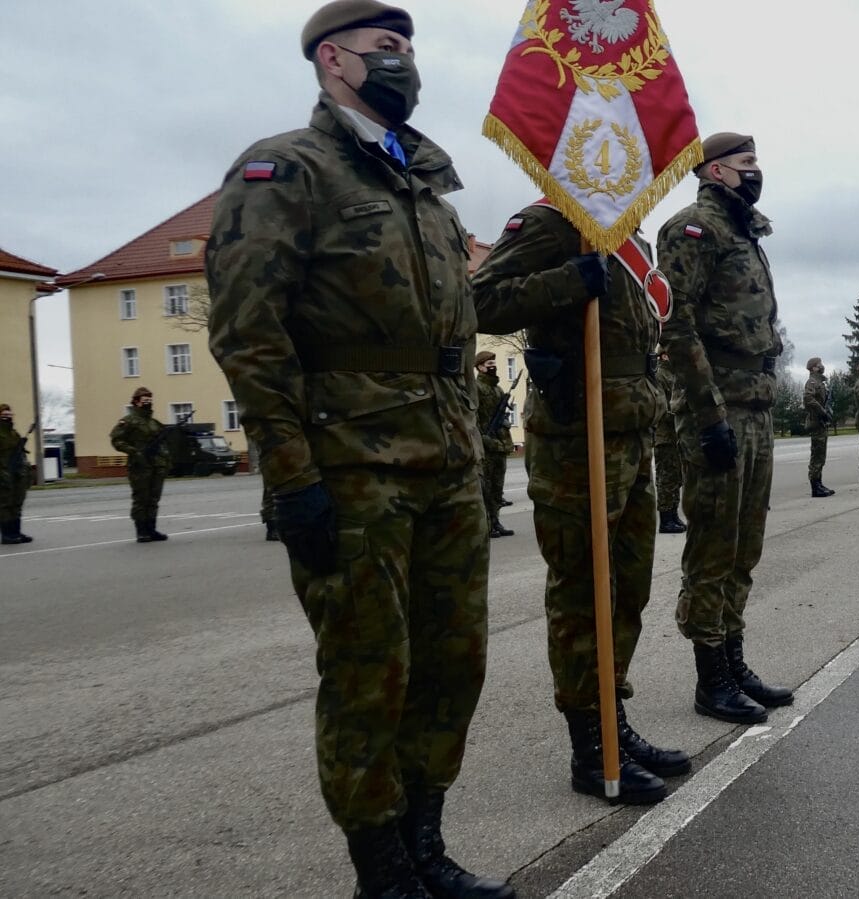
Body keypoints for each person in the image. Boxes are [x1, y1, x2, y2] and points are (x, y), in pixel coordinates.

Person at [204, 3, 511, 895]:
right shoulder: (285, 171)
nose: (404, 63)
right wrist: (291, 475)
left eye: (409, 49)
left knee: (456, 662)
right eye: (385, 50)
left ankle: (425, 842)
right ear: (332, 60)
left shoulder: (425, 179)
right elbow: (248, 334)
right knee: (370, 671)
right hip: (353, 469)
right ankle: (379, 866)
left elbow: (458, 323)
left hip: (449, 463)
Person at [473, 200, 688, 806]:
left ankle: (613, 719)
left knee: (629, 586)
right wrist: (569, 282)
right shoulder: (550, 222)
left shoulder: (629, 236)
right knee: (582, 591)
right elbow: (480, 301)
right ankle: (589, 745)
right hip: (577, 434)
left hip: (630, 430)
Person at [657, 130, 792, 725]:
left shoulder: (745, 231)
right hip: (719, 406)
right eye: (745, 163)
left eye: (756, 162)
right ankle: (710, 676)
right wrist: (706, 412)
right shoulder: (693, 228)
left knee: (745, 545)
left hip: (755, 403)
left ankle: (734, 659)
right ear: (715, 172)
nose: (755, 171)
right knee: (713, 544)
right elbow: (675, 323)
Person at [109, 387, 171, 542]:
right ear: (136, 402)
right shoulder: (128, 421)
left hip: (157, 465)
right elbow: (116, 440)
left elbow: (164, 444)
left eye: (150, 400)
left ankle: (152, 529)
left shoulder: (154, 422)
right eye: (145, 400)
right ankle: (141, 531)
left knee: (153, 499)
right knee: (141, 498)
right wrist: (134, 451)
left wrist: (166, 461)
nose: (148, 403)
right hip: (140, 466)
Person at [475, 351, 515, 538]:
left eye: (494, 362)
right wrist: (487, 441)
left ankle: (496, 521)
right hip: (487, 447)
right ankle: (487, 524)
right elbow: (472, 420)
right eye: (489, 363)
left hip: (500, 446)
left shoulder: (497, 390)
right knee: (486, 489)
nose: (493, 366)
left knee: (498, 489)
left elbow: (501, 417)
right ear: (480, 367)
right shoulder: (476, 388)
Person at [655, 346, 687, 533]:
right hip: (664, 437)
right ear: (664, 355)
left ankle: (673, 515)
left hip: (675, 436)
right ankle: (666, 519)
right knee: (666, 479)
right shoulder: (660, 375)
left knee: (676, 478)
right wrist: (679, 414)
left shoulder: (673, 374)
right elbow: (661, 408)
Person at [0, 403, 33, 544]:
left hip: (17, 473)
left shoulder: (13, 433)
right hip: (3, 473)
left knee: (17, 503)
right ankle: (7, 534)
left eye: (9, 414)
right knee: (5, 504)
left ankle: (16, 532)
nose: (8, 417)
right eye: (4, 415)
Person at [802, 357, 834, 497]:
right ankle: (815, 486)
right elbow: (808, 399)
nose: (822, 366)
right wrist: (822, 412)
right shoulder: (812, 382)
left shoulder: (820, 382)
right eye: (819, 364)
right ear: (814, 368)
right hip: (816, 422)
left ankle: (819, 483)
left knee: (821, 455)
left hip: (821, 423)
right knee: (817, 455)